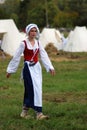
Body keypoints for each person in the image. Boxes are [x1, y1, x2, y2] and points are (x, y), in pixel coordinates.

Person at [6, 23, 55, 120]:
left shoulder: (38, 43)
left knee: (36, 89)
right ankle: (39, 113)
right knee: (32, 89)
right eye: (31, 31)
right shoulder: (23, 43)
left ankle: (24, 112)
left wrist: (50, 67)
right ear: (28, 32)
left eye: (35, 31)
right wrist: (10, 70)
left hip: (36, 68)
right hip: (28, 69)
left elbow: (43, 55)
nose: (33, 33)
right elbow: (16, 57)